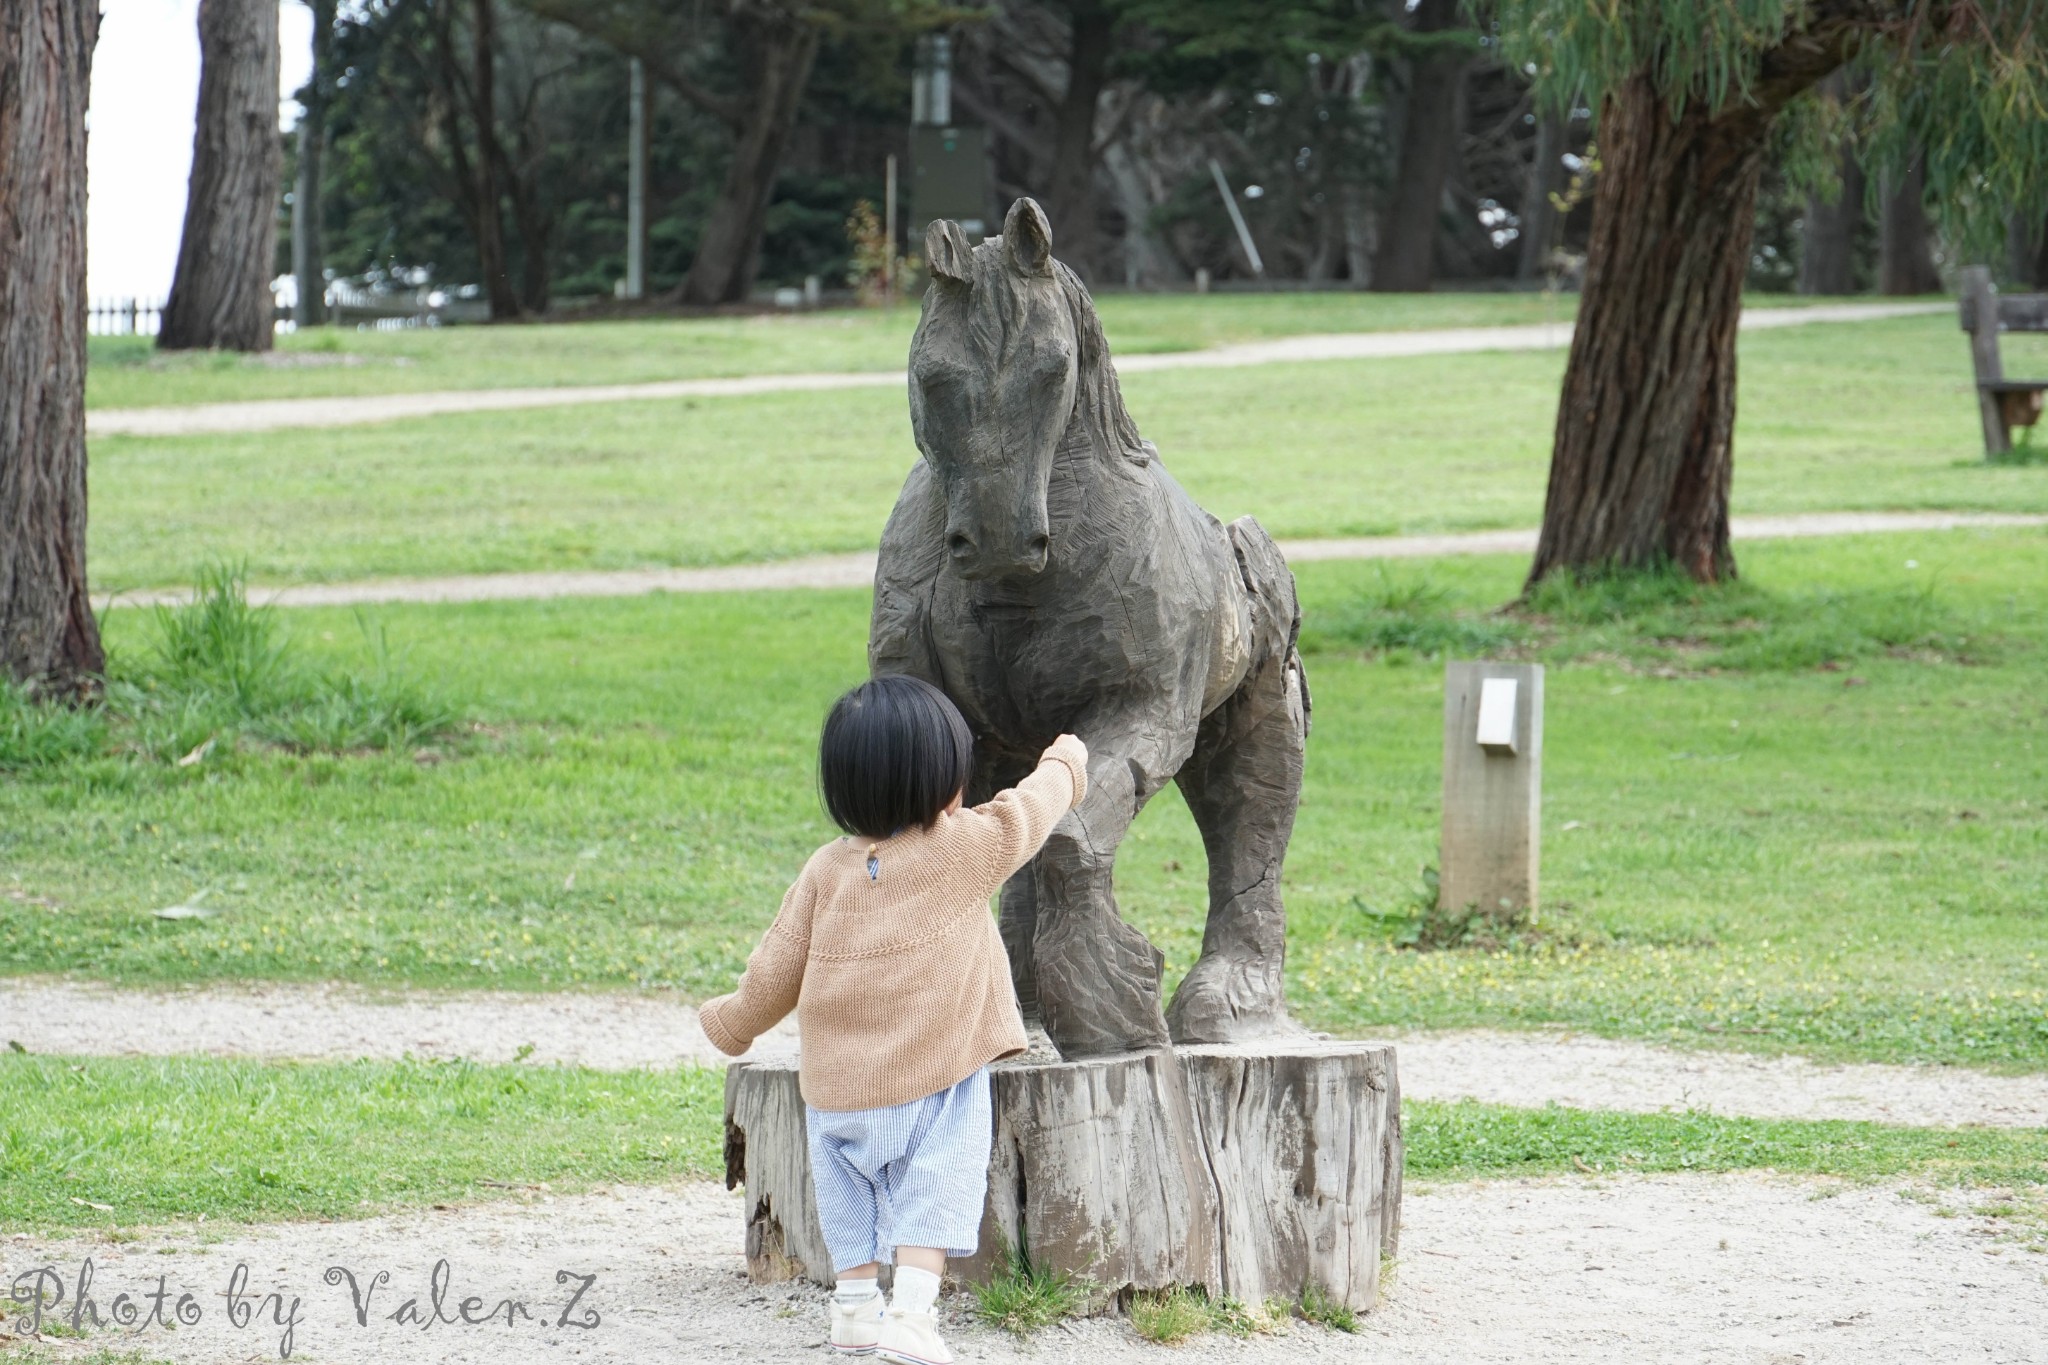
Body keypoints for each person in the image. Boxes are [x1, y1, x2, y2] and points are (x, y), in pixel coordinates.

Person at [700, 674, 1088, 1365]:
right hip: (932, 1080)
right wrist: (1065, 761)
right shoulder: (961, 846)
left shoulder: (825, 870)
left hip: (837, 1093)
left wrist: (732, 1024)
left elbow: (774, 972)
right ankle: (911, 1314)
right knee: (937, 1185)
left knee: (847, 1199)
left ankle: (853, 1309)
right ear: (943, 783)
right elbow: (1028, 812)